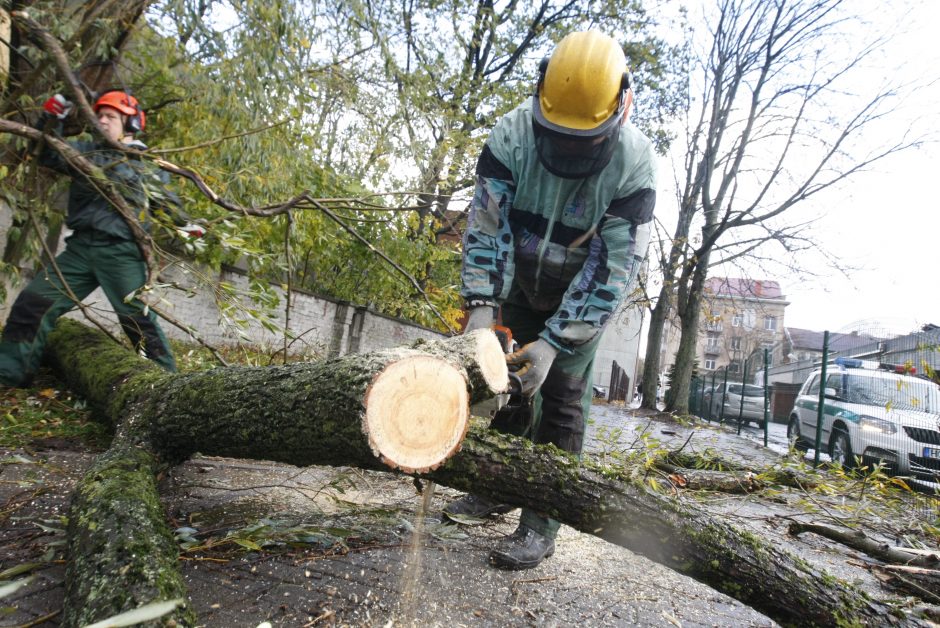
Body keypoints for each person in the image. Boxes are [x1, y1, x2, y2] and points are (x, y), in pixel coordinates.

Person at [445, 30, 657, 570]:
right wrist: (482, 309)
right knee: (510, 385)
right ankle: (497, 487)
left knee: (560, 402)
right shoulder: (511, 137)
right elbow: (487, 228)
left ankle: (542, 521)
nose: (567, 148)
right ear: (540, 100)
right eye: (557, 137)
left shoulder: (634, 166)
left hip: (579, 296)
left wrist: (558, 341)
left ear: (620, 108)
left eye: (580, 142)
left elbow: (613, 266)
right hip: (517, 281)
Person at [0, 90, 201, 387]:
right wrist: (53, 115)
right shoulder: (85, 153)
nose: (103, 121)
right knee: (32, 305)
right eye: (101, 116)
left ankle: (168, 388)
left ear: (130, 123)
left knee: (139, 324)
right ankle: (9, 374)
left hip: (121, 254)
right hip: (79, 249)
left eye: (111, 117)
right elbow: (47, 152)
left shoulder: (145, 165)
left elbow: (166, 204)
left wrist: (187, 227)